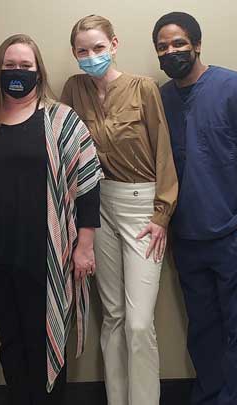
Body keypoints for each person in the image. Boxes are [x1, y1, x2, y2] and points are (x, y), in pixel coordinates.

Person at [0, 33, 103, 405]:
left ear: (39, 71)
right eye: (9, 66)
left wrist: (85, 246)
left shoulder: (61, 120)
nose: (17, 72)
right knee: (12, 344)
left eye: (25, 66)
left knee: (45, 341)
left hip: (44, 255)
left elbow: (88, 185)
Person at [152, 12, 237, 405]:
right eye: (162, 47)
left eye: (178, 43)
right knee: (203, 334)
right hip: (187, 240)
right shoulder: (163, 98)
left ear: (197, 44)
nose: (171, 52)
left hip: (232, 237)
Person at [60, 15, 178, 405]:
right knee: (112, 316)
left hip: (142, 206)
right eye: (82, 50)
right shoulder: (74, 89)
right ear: (74, 53)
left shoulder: (143, 88)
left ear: (114, 44)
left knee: (140, 323)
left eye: (98, 47)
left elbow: (164, 151)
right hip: (95, 207)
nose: (91, 56)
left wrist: (162, 214)